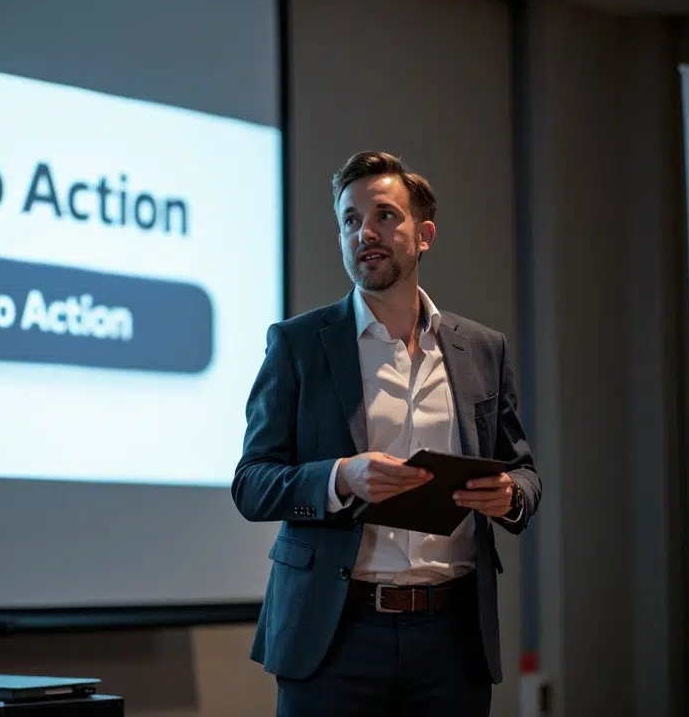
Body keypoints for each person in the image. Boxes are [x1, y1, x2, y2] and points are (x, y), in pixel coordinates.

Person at [231, 151, 541, 716]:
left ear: (423, 235)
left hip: (452, 636)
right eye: (350, 221)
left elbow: (522, 469)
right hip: (336, 632)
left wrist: (511, 495)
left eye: (384, 216)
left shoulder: (482, 349)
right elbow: (251, 484)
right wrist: (339, 477)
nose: (365, 233)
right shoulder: (299, 345)